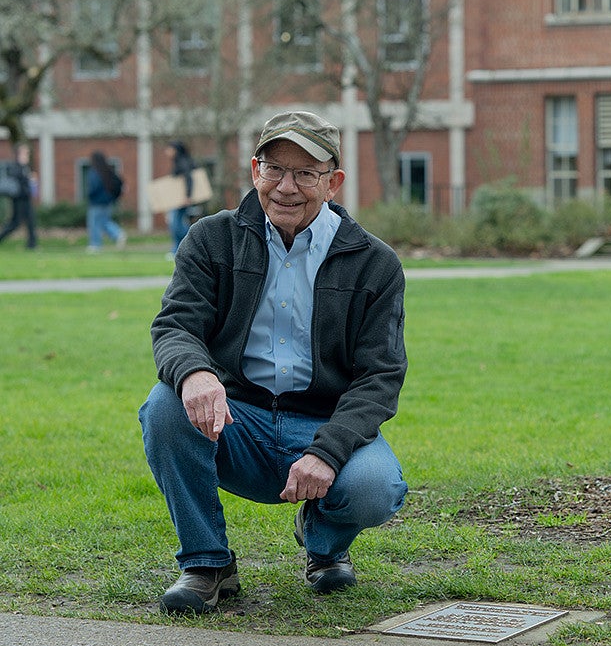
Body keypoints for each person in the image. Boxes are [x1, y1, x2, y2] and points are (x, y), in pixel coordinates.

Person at [139, 111, 409, 616]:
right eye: (274, 169)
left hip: (322, 424)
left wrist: (328, 452)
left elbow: (381, 377)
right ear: (254, 171)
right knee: (164, 407)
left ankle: (323, 543)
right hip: (237, 419)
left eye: (306, 173)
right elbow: (176, 324)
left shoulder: (375, 263)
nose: (287, 187)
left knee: (375, 487)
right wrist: (196, 373)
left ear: (334, 182)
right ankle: (208, 563)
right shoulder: (211, 238)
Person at [85, 151, 127, 252]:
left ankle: (95, 244)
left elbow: (93, 187)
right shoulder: (108, 171)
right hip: (108, 201)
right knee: (104, 221)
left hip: (96, 202)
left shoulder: (94, 172)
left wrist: (89, 195)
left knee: (94, 223)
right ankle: (117, 233)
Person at [0, 142, 38, 249]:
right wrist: (28, 178)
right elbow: (16, 182)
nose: (27, 155)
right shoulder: (15, 166)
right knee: (15, 223)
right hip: (19, 199)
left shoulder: (25, 167)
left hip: (26, 198)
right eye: (25, 153)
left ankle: (32, 245)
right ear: (19, 154)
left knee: (31, 221)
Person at [165, 140, 196, 258]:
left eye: (170, 149)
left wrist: (188, 196)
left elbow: (189, 179)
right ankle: (178, 248)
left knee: (176, 225)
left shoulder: (183, 162)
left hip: (182, 200)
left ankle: (186, 245)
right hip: (178, 199)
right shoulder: (179, 161)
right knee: (175, 224)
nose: (167, 152)